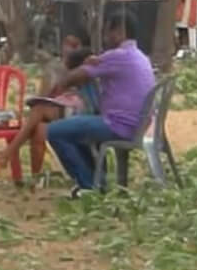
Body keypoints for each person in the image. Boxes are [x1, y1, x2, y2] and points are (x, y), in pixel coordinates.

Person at [45, 11, 156, 195]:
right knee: (76, 129)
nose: (105, 38)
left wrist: (66, 76)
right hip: (136, 124)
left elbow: (73, 78)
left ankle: (88, 185)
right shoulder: (139, 55)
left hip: (118, 125)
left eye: (107, 32)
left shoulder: (118, 55)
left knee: (55, 131)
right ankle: (96, 180)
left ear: (119, 32)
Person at [1, 44, 94, 179]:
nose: (68, 49)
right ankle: (35, 177)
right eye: (67, 44)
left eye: (73, 45)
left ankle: (8, 152)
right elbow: (47, 95)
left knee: (38, 110)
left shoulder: (84, 71)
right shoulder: (58, 70)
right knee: (38, 129)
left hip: (77, 112)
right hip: (64, 109)